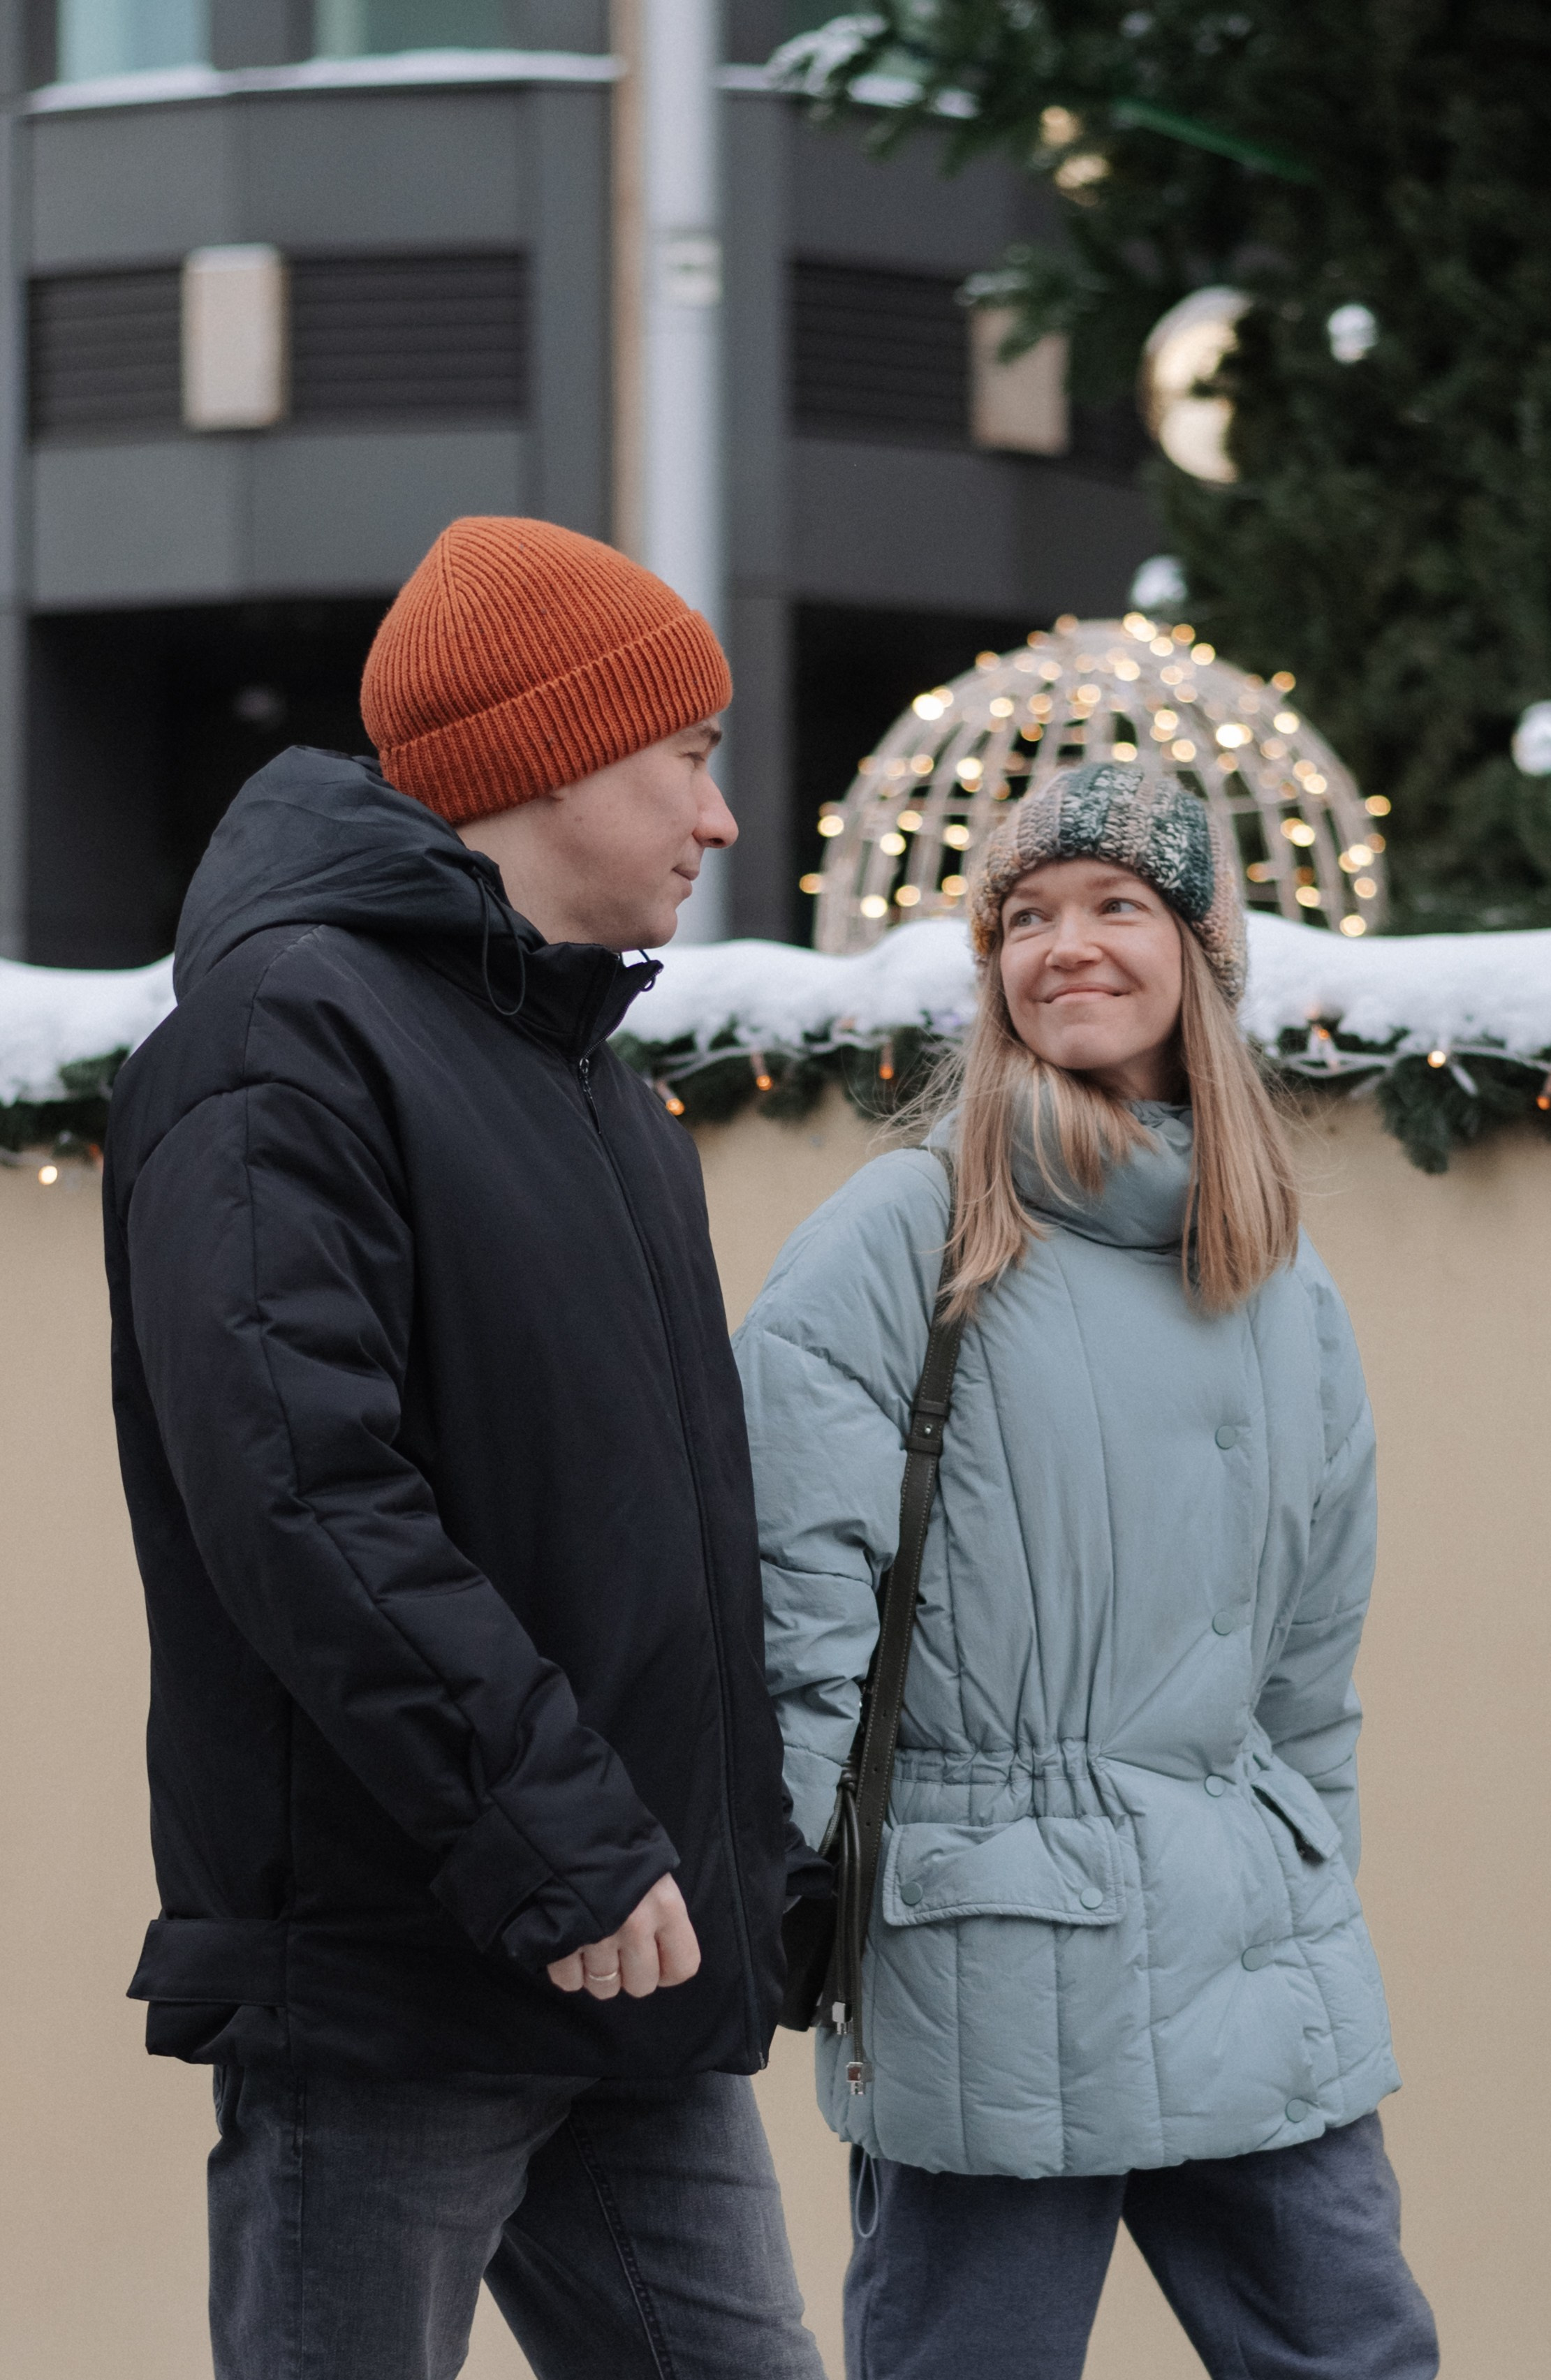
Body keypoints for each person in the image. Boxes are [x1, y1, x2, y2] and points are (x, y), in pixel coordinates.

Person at [103, 516, 828, 2380]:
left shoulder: (602, 1093)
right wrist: (559, 1842)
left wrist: (728, 1877)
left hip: (626, 1965)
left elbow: (647, 1536)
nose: (722, 817)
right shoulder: (285, 1040)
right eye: (692, 755)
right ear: (554, 759)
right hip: (400, 1987)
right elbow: (306, 1496)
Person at [734, 763, 1439, 2379]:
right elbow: (790, 1601)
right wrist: (768, 1875)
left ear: (1200, 952)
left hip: (1250, 1948)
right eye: (1026, 917)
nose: (1067, 946)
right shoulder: (904, 1237)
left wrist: (1305, 1873)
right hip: (989, 1944)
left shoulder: (1276, 1281)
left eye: (1119, 904)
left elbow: (1304, 1663)